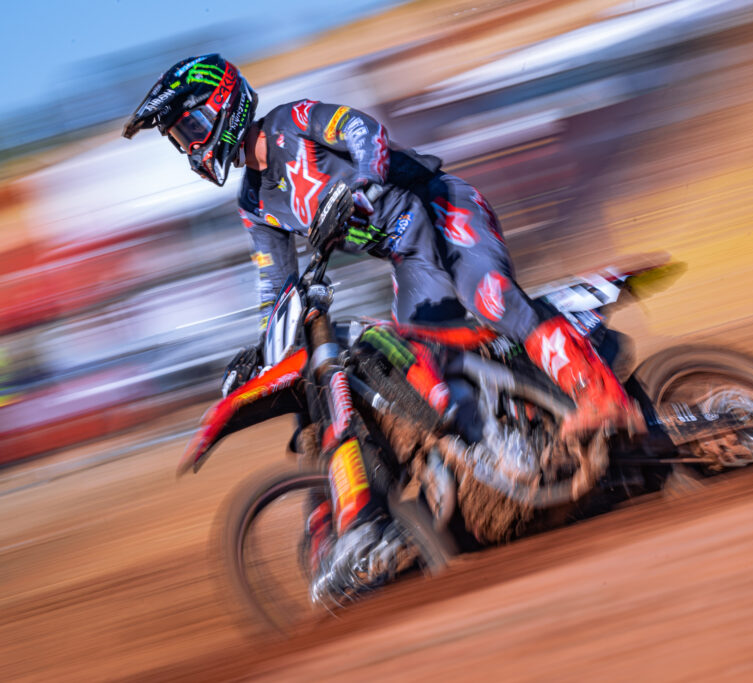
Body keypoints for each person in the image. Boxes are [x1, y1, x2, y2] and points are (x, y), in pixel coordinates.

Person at [124, 54, 642, 600]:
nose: (190, 145)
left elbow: (363, 129)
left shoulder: (291, 122)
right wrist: (261, 350)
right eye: (179, 139)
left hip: (442, 209)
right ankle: (499, 460)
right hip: (410, 257)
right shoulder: (254, 203)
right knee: (418, 366)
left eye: (189, 127)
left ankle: (600, 395)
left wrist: (365, 182)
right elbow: (275, 285)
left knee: (490, 298)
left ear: (221, 104)